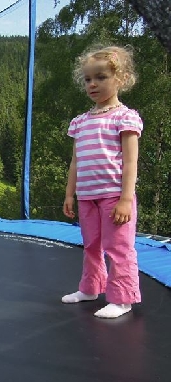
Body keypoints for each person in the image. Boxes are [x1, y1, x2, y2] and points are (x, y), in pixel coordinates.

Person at [62, 45, 143, 319]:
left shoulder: (124, 117)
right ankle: (90, 288)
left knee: (118, 247)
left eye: (101, 77)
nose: (92, 84)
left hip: (114, 195)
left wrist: (126, 199)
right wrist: (70, 194)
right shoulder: (80, 122)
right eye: (88, 79)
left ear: (121, 79)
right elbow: (75, 162)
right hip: (87, 196)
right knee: (91, 246)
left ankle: (122, 298)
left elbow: (130, 163)